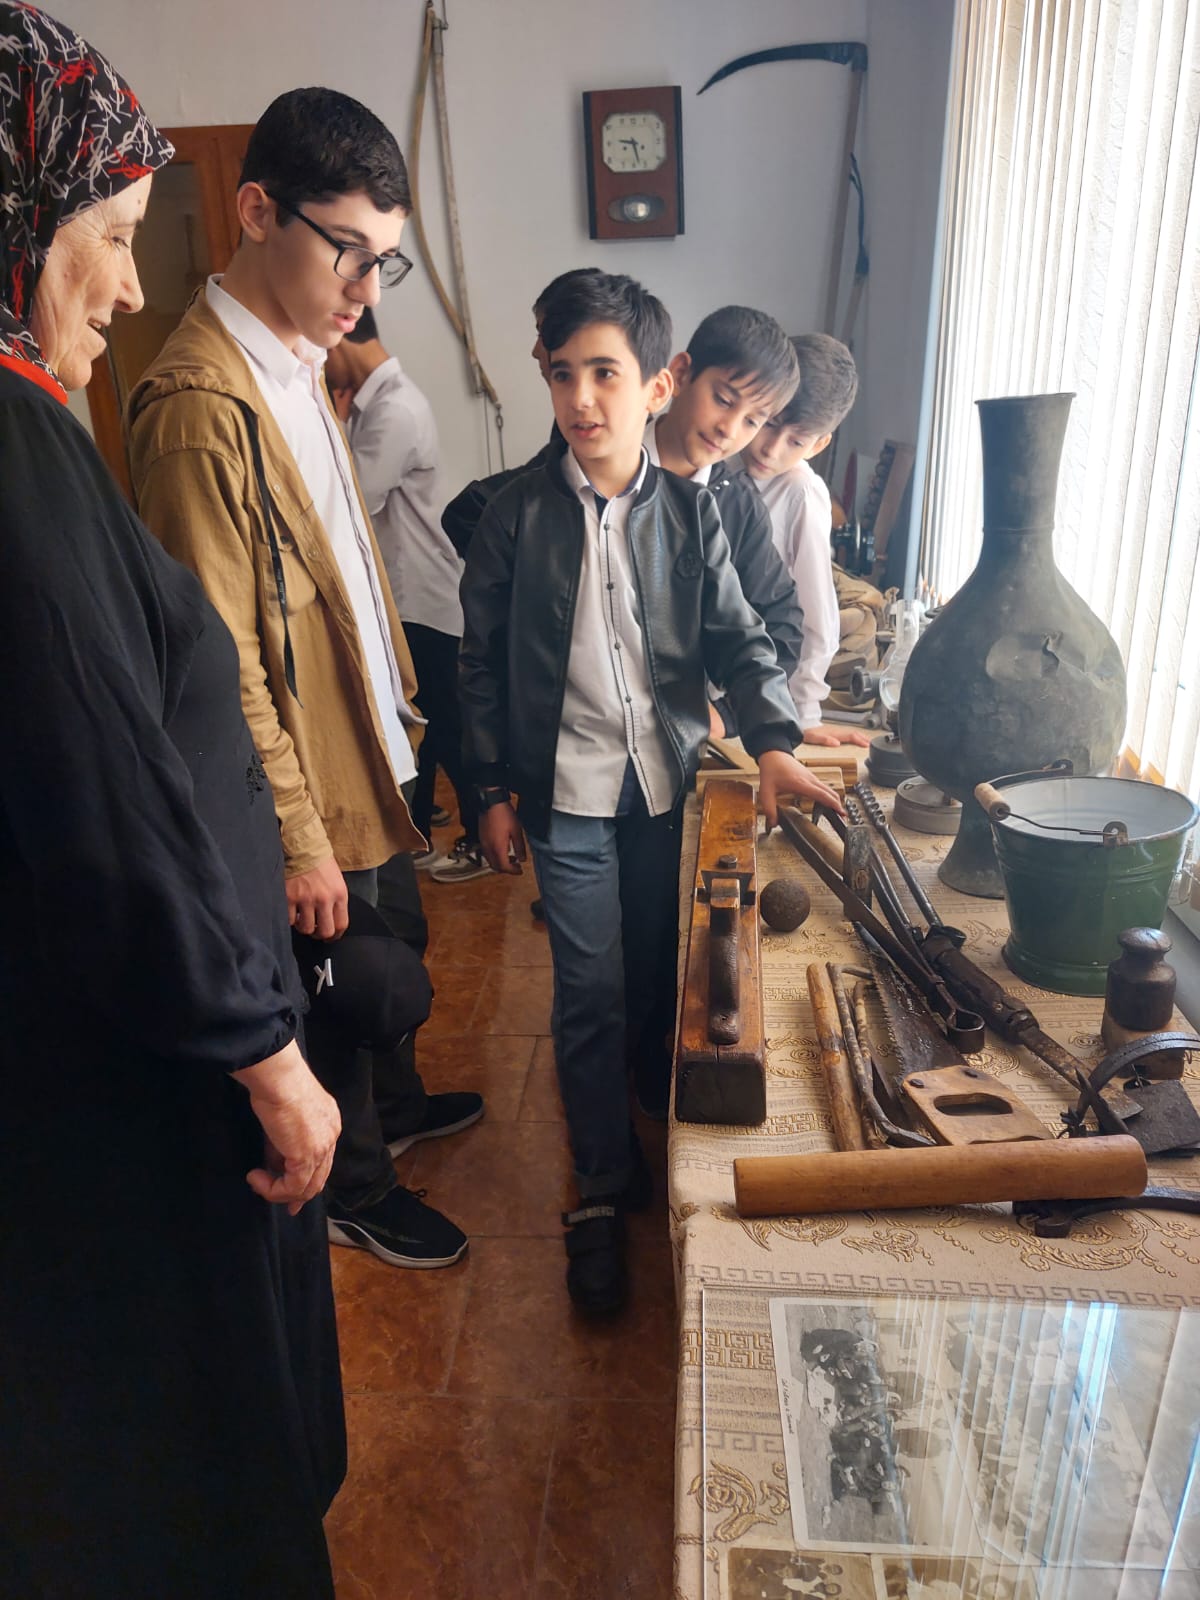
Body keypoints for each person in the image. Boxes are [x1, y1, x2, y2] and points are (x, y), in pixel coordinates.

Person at [0, 7, 344, 1592]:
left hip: (116, 1042)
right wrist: (267, 1057)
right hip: (135, 1077)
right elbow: (105, 797)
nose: (132, 289)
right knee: (180, 1476)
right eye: (114, 238)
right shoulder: (14, 442)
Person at [128, 87, 480, 1271]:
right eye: (348, 251)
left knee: (392, 960)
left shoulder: (301, 359)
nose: (366, 289)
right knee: (340, 984)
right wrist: (294, 836)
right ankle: (357, 1187)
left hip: (366, 738)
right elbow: (217, 658)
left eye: (385, 261)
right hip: (304, 779)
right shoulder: (199, 406)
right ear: (255, 211)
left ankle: (400, 1110)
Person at [459, 271, 843, 1315]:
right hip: (567, 796)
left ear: (656, 384)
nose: (582, 398)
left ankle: (645, 1129)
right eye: (562, 374)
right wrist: (488, 786)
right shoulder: (512, 516)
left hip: (662, 786)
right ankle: (599, 1185)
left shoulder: (690, 510)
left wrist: (772, 740)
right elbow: (480, 666)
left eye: (605, 373)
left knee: (654, 975)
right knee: (587, 989)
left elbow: (741, 636)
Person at [324, 307, 487, 882]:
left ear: (344, 336)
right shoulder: (383, 404)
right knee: (431, 724)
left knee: (444, 727)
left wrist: (332, 419)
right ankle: (421, 828)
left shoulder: (392, 410)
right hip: (412, 596)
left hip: (421, 598)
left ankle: (481, 842)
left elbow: (351, 501)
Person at [645, 305, 805, 734]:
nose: (729, 430)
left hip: (676, 737)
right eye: (723, 400)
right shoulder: (606, 461)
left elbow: (782, 626)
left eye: (752, 420)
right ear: (681, 374)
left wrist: (727, 716)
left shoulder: (738, 504)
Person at [742, 332, 871, 749]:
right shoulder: (721, 458)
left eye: (795, 441)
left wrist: (805, 712)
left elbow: (816, 616)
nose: (771, 448)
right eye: (769, 423)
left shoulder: (801, 492)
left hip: (757, 692)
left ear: (819, 444)